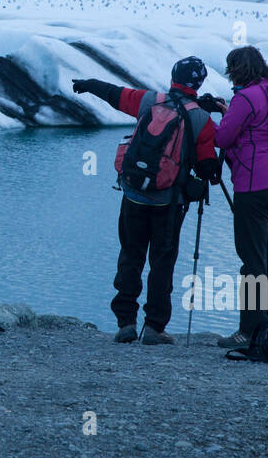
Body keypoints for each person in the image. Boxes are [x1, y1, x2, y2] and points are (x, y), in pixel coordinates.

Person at [73, 57, 222, 345]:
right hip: (169, 202)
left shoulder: (149, 100)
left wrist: (89, 85)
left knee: (130, 255)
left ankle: (125, 323)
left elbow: (116, 94)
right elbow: (207, 168)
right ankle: (154, 327)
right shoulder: (202, 119)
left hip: (133, 194)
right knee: (161, 263)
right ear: (200, 83)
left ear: (173, 76)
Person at [207, 45, 268, 349]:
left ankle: (248, 331)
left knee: (252, 260)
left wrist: (210, 119)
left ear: (237, 70)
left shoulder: (244, 98)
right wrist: (227, 111)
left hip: (255, 187)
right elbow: (264, 130)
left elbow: (222, 138)